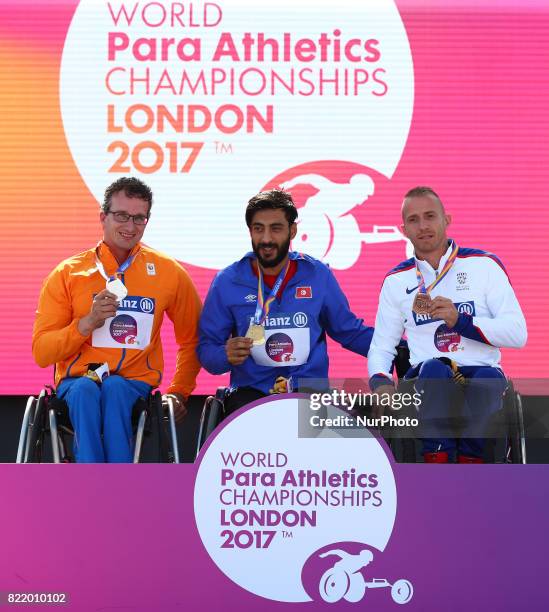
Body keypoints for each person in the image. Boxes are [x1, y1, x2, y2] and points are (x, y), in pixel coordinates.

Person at [32, 177, 201, 463]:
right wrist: (86, 323)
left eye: (139, 218)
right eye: (122, 215)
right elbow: (42, 352)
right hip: (77, 383)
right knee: (87, 389)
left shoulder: (168, 272)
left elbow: (194, 338)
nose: (130, 226)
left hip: (133, 385)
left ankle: (119, 483)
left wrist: (180, 392)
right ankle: (92, 480)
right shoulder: (68, 273)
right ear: (103, 217)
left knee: (115, 387)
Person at [367, 186, 527, 463]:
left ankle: (471, 468)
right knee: (433, 372)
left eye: (430, 216)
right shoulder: (397, 280)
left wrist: (460, 321)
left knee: (486, 380)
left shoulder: (484, 265)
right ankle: (437, 467)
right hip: (426, 380)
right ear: (403, 228)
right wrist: (380, 381)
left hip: (482, 374)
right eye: (414, 220)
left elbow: (517, 334)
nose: (423, 226)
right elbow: (382, 346)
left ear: (447, 220)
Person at [197, 188, 374, 413]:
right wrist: (224, 354)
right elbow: (206, 350)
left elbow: (350, 331)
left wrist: (401, 348)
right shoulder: (227, 282)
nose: (266, 239)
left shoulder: (317, 275)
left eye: (276, 228)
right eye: (258, 229)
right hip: (251, 396)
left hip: (308, 393)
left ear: (292, 230)